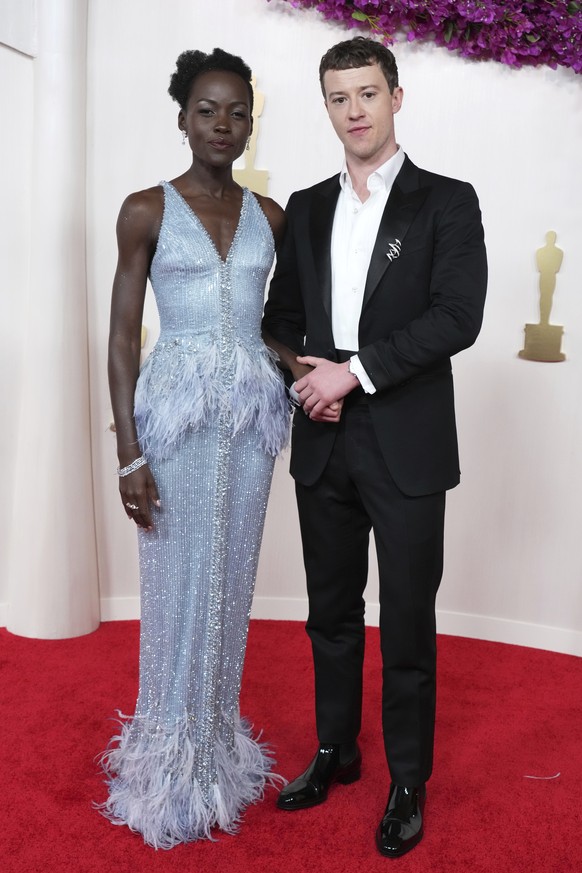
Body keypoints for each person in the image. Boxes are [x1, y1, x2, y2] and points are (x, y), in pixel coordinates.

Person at [262, 36, 487, 858]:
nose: (353, 110)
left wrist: (350, 375)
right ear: (326, 106)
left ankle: (407, 779)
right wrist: (302, 378)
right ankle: (336, 749)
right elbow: (279, 318)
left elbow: (457, 317)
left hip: (405, 442)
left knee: (407, 621)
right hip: (322, 440)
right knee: (330, 614)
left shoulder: (447, 202)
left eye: (367, 93)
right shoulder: (309, 203)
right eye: (338, 97)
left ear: (397, 96)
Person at [100, 48, 289, 848]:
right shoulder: (146, 208)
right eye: (208, 110)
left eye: (238, 111)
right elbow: (118, 337)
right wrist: (130, 455)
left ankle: (214, 753)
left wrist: (287, 357)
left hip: (249, 427)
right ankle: (165, 764)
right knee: (176, 590)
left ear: (251, 122)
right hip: (172, 426)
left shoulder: (272, 219)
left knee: (230, 587)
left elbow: (269, 323)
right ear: (182, 118)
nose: (223, 124)